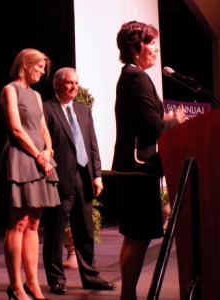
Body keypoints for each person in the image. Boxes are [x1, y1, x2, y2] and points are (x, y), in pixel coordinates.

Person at [111, 21, 185, 300]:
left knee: (133, 236)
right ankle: (128, 295)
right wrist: (174, 121)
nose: (156, 48)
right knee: (139, 236)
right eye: (151, 42)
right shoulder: (136, 77)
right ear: (136, 46)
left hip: (131, 168)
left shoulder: (130, 76)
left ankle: (127, 295)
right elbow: (152, 127)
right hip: (138, 168)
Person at [42, 67, 117, 295]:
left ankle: (91, 277)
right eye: (69, 83)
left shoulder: (84, 110)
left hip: (84, 178)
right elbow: (45, 146)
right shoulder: (46, 109)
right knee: (55, 232)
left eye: (76, 82)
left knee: (84, 230)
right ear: (57, 85)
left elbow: (92, 145)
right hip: (59, 179)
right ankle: (56, 279)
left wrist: (97, 176)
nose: (74, 86)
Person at [0, 48, 61, 300]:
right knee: (19, 223)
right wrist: (39, 156)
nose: (43, 72)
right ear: (25, 64)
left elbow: (43, 128)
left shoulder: (35, 95)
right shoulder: (9, 90)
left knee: (34, 224)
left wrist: (49, 150)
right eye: (40, 67)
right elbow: (16, 129)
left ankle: (32, 283)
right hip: (21, 157)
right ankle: (15, 285)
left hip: (41, 158)